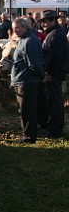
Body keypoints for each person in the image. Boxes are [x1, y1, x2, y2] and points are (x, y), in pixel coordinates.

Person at [10, 17, 44, 143]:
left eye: (18, 28)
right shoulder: (24, 39)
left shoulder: (29, 41)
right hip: (23, 79)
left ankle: (29, 136)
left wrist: (42, 75)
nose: (15, 31)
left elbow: (33, 63)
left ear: (25, 27)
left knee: (27, 110)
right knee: (24, 109)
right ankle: (28, 134)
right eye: (14, 28)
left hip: (26, 80)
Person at [37, 11, 68, 139]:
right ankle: (54, 127)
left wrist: (47, 72)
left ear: (53, 21)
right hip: (56, 72)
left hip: (53, 73)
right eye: (42, 22)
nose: (43, 24)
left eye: (46, 21)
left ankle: (55, 130)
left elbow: (54, 57)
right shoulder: (55, 33)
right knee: (55, 100)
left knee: (54, 102)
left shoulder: (55, 35)